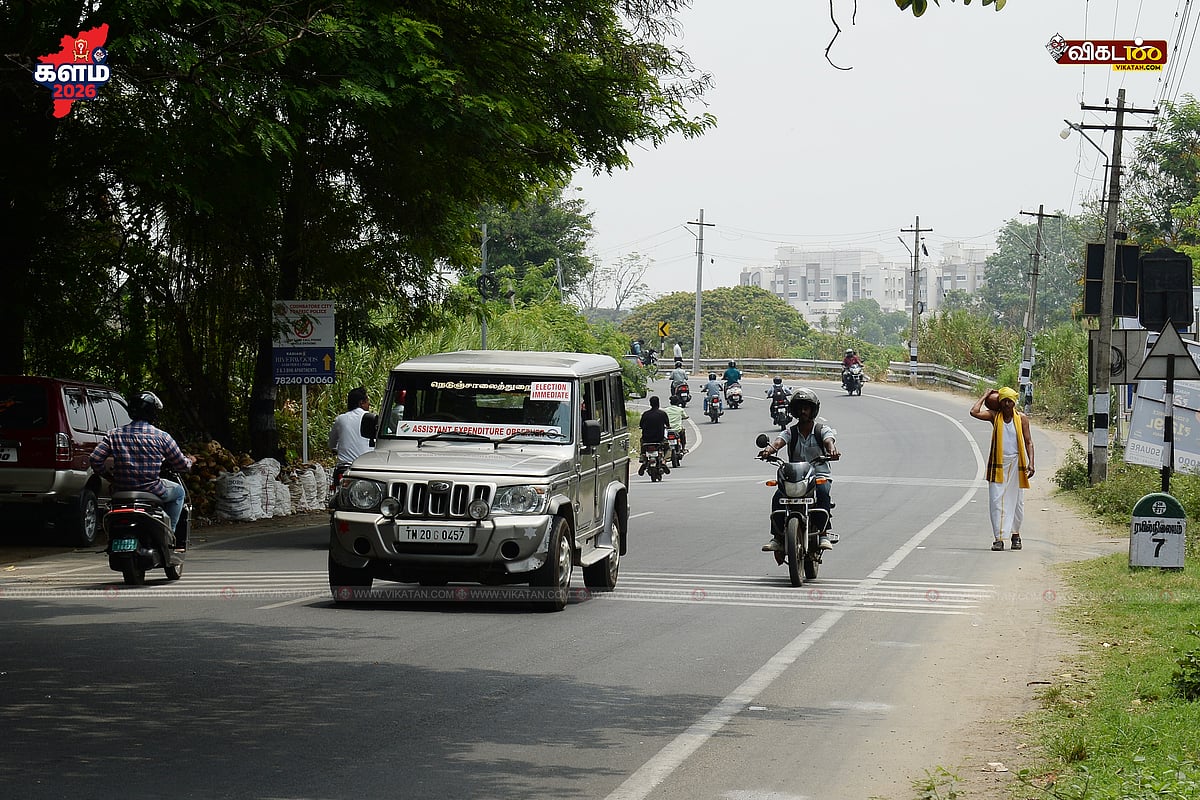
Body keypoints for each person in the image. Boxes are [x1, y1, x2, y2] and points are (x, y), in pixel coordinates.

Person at [89, 391, 195, 540]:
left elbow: (94, 459)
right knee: (179, 493)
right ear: (151, 412)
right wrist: (191, 461)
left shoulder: (113, 434)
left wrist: (109, 477)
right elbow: (182, 465)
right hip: (152, 489)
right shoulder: (161, 436)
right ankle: (169, 535)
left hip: (121, 491)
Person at [758, 388, 840, 552]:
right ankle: (778, 538)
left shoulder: (821, 430)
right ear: (794, 411)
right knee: (778, 497)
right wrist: (768, 451)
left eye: (806, 408)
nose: (803, 411)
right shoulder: (790, 432)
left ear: (813, 410)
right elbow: (778, 442)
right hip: (795, 477)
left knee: (823, 492)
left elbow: (829, 440)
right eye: (800, 408)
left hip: (818, 475)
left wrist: (832, 450)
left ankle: (823, 533)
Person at [970, 387, 1034, 551]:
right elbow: (974, 412)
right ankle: (998, 538)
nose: (1007, 404)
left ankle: (1015, 535)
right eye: (1004, 401)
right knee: (996, 500)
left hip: (1016, 465)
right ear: (999, 403)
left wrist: (1031, 463)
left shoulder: (1022, 419)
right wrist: (985, 394)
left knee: (1017, 502)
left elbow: (1028, 442)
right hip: (998, 464)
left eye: (1010, 401)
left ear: (1014, 402)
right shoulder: (994, 416)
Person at [329, 386, 372, 464]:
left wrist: (334, 448)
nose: (369, 404)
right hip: (365, 464)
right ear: (361, 403)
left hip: (343, 465)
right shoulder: (372, 418)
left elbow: (332, 443)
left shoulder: (340, 419)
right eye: (367, 401)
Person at [638, 395, 671, 476]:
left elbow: (641, 425)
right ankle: (664, 461)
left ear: (650, 404)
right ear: (658, 404)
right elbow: (667, 424)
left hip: (646, 439)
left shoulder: (645, 414)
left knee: (642, 446)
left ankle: (643, 459)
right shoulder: (662, 414)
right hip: (659, 439)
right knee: (668, 448)